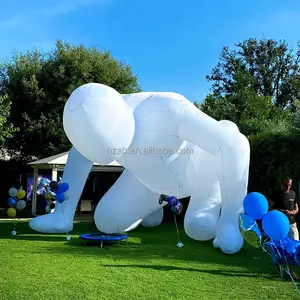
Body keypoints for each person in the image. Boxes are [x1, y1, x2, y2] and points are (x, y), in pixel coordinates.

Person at [268, 176, 299, 280]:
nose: (288, 187)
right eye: (286, 185)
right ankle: (279, 270)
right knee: (278, 248)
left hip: (292, 224)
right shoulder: (275, 194)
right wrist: (281, 211)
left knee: (294, 248)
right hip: (279, 225)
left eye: (289, 185)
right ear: (282, 184)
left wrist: (294, 212)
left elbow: (296, 206)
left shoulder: (293, 193)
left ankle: (291, 272)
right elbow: (270, 208)